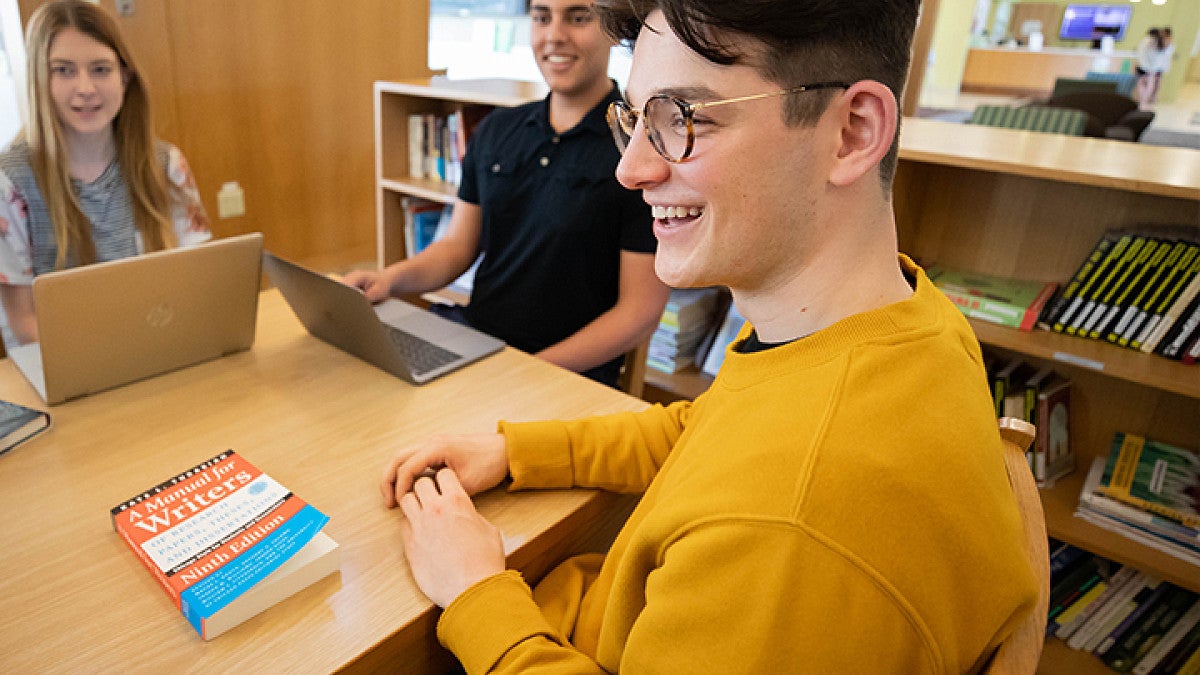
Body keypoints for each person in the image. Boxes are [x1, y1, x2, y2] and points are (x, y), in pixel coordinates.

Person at [381, 0, 1040, 672]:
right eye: (636, 121)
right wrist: (512, 450)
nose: (631, 169)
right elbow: (705, 432)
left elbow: (771, 498)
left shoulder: (791, 529)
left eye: (683, 118)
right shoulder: (897, 321)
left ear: (852, 132)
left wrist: (474, 589)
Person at [344, 0, 668, 388]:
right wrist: (388, 280)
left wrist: (529, 370)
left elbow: (640, 311)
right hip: (476, 343)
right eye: (541, 17)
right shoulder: (497, 129)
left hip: (563, 373)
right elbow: (457, 248)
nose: (554, 36)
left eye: (579, 17)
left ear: (613, 30)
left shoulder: (635, 150)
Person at [0, 0, 210, 347]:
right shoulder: (10, 183)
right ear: (40, 80)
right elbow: (24, 325)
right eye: (63, 70)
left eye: (100, 69)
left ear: (125, 79)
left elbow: (199, 283)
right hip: (63, 369)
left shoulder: (166, 164)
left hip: (162, 349)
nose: (85, 88)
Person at [1136, 27, 1168, 108]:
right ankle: (1144, 101)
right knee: (1149, 86)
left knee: (1142, 84)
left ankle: (1142, 101)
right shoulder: (1156, 42)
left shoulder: (1145, 40)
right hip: (1151, 68)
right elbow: (1156, 56)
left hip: (1142, 66)